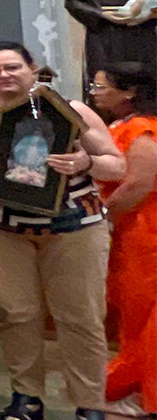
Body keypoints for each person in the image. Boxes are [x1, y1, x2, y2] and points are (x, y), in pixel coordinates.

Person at [0, 42, 124, 420]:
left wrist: (85, 160)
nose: (4, 75)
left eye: (12, 67)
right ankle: (26, 398)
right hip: (2, 229)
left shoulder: (71, 110)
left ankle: (90, 403)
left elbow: (115, 166)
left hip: (74, 228)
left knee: (81, 316)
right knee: (15, 312)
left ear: (31, 67)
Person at [93, 63, 157, 416]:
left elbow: (140, 183)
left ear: (129, 92)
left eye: (101, 86)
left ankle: (145, 396)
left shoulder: (141, 128)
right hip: (131, 229)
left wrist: (101, 216)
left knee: (146, 316)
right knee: (133, 314)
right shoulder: (122, 126)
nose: (95, 91)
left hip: (145, 231)